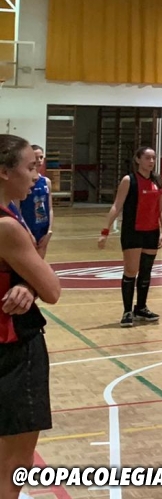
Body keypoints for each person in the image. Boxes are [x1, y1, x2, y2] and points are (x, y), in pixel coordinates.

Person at [0, 135, 61, 499]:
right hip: (13, 347)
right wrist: (34, 282)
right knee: (14, 462)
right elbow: (52, 288)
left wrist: (25, 282)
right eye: (30, 167)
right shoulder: (7, 226)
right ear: (5, 172)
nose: (36, 177)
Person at [98, 147, 162, 328]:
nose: (151, 161)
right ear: (137, 159)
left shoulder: (159, 181)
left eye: (153, 158)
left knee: (146, 272)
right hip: (133, 232)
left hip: (152, 232)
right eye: (147, 158)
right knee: (131, 270)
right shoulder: (129, 180)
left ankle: (141, 308)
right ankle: (127, 311)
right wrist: (105, 231)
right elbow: (117, 205)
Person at [18, 146, 51, 258]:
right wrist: (28, 232)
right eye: (36, 157)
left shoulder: (46, 182)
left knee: (41, 259)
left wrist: (49, 230)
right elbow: (17, 210)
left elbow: (50, 208)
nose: (39, 160)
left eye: (41, 157)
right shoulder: (22, 182)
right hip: (28, 226)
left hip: (42, 227)